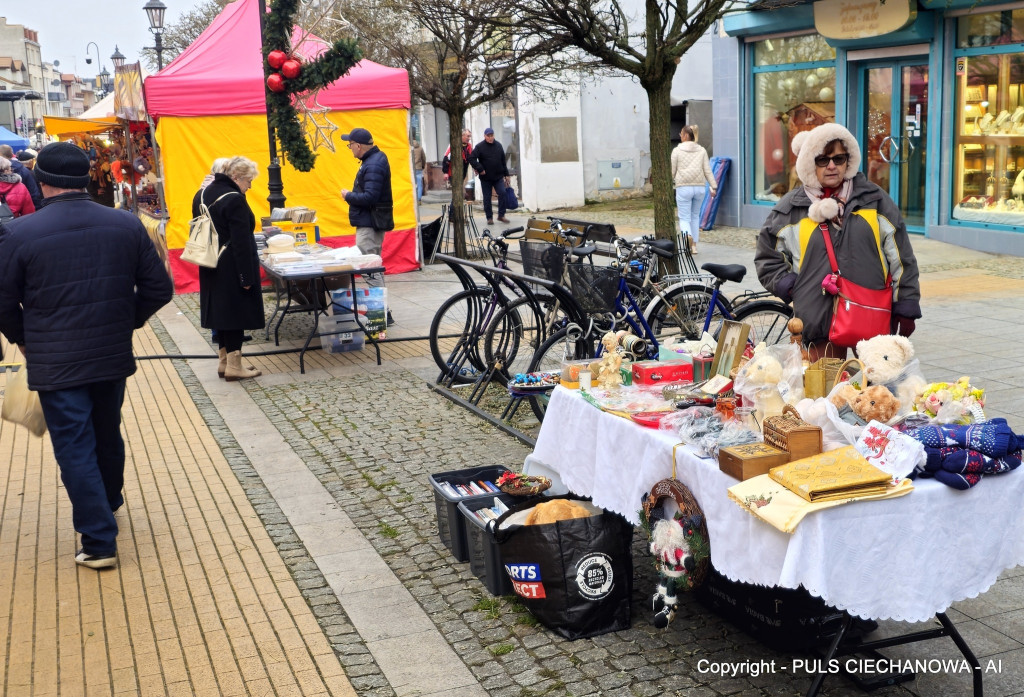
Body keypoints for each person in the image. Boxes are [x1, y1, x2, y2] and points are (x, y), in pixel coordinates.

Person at [0, 142, 173, 569]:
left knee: (74, 443)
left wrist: (23, 338)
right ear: (83, 179)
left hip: (54, 357)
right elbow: (160, 289)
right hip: (109, 352)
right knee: (106, 429)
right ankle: (108, 500)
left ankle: (98, 540)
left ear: (41, 182)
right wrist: (125, 322)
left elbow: (3, 301)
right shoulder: (125, 225)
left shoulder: (20, 234)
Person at [754, 123, 921, 360]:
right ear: (810, 163)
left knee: (875, 391)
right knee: (825, 391)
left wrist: (905, 304)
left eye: (839, 159)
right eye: (823, 159)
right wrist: (793, 287)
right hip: (818, 318)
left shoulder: (874, 200)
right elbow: (767, 257)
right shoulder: (789, 210)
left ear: (848, 161)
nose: (832, 166)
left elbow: (901, 258)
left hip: (870, 313)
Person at [193, 156, 266, 380]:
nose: (250, 185)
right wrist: (246, 277)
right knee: (235, 313)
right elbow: (241, 242)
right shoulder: (234, 198)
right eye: (248, 180)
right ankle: (235, 367)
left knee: (220, 313)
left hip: (209, 260)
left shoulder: (202, 193)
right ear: (235, 177)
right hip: (231, 264)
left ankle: (224, 362)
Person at [340, 127, 395, 325]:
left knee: (369, 269)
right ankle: (383, 310)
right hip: (372, 221)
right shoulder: (374, 160)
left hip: (369, 224)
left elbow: (370, 196)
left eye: (350, 145)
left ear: (358, 145)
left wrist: (348, 196)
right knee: (374, 268)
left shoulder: (373, 164)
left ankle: (382, 311)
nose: (350, 148)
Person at [671, 124, 716, 255]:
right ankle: (694, 246)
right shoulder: (702, 150)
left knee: (684, 218)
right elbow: (708, 170)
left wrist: (669, 184)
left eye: (680, 133)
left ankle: (688, 236)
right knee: (695, 216)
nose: (679, 135)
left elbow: (672, 171)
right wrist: (713, 186)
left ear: (685, 135)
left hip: (683, 188)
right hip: (699, 188)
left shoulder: (677, 151)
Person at [469, 127, 511, 225]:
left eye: (492, 135)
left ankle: (501, 215)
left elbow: (503, 161)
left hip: (498, 176)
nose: (490, 138)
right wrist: (480, 168)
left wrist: (506, 174)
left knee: (502, 193)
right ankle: (489, 218)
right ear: (485, 136)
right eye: (488, 136)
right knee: (487, 198)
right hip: (486, 178)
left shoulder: (498, 145)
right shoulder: (480, 147)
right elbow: (471, 158)